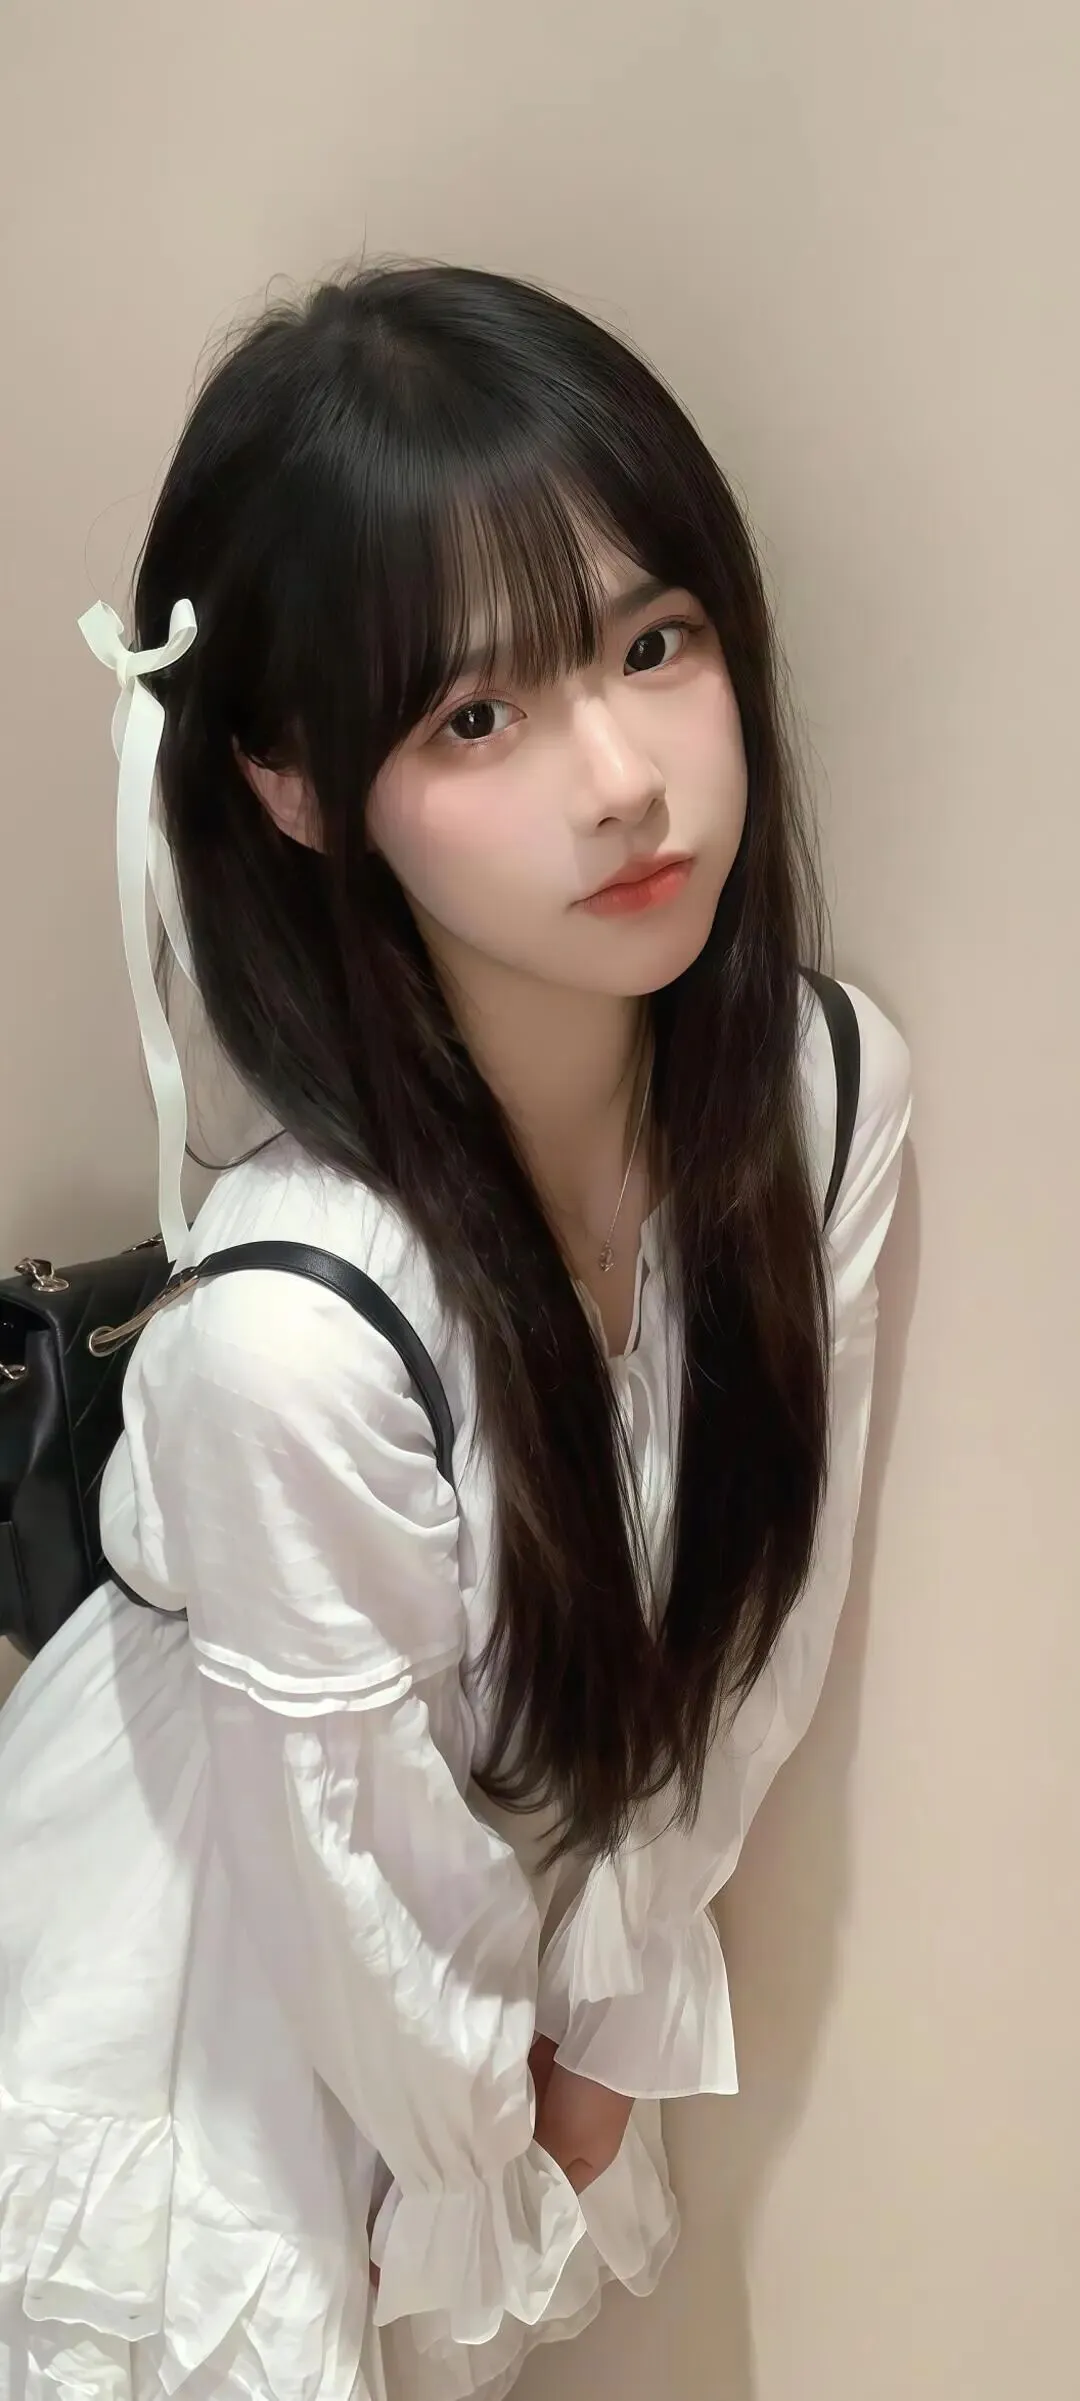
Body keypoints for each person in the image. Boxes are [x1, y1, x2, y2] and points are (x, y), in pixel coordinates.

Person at [0, 261, 910, 2401]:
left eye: (653, 646)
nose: (623, 782)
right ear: (297, 785)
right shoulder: (291, 1335)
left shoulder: (819, 1091)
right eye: (476, 718)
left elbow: (758, 1621)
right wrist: (501, 2128)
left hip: (472, 2008)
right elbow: (357, 1914)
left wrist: (615, 2004)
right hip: (198, 2022)